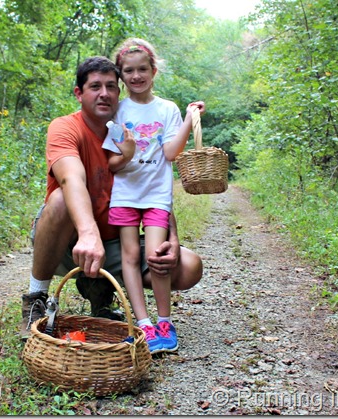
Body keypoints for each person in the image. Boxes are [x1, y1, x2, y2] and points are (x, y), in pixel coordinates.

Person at [20, 56, 203, 341]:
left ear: (120, 92)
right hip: (69, 243)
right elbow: (71, 178)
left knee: (188, 266)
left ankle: (101, 293)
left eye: (110, 86)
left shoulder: (128, 130)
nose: (104, 93)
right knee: (58, 201)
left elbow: (152, 186)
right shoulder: (66, 127)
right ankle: (36, 297)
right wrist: (88, 233)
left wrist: (173, 236)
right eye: (95, 86)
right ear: (79, 93)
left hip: (115, 242)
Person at [101, 38, 205, 353]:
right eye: (128, 71)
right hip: (125, 194)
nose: (136, 76)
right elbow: (114, 164)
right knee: (130, 258)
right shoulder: (118, 112)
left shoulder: (167, 109)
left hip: (157, 194)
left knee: (156, 257)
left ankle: (164, 321)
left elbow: (171, 152)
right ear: (121, 75)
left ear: (153, 70)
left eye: (142, 69)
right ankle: (143, 323)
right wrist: (129, 152)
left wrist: (189, 119)